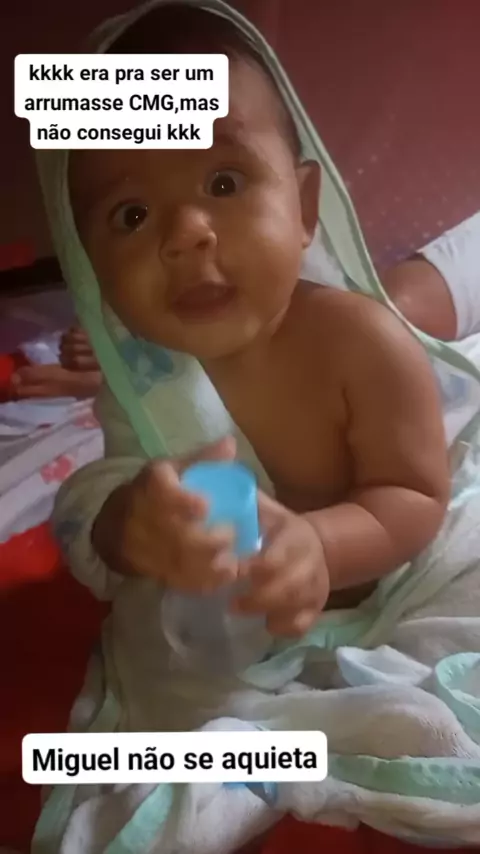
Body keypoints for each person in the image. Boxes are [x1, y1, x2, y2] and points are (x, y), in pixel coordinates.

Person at [53, 1, 453, 639]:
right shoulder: (146, 380)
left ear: (304, 208)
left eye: (224, 183)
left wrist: (322, 546)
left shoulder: (362, 342)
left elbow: (416, 496)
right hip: (232, 632)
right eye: (131, 214)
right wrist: (130, 525)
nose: (185, 234)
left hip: (389, 591)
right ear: (91, 268)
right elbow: (99, 498)